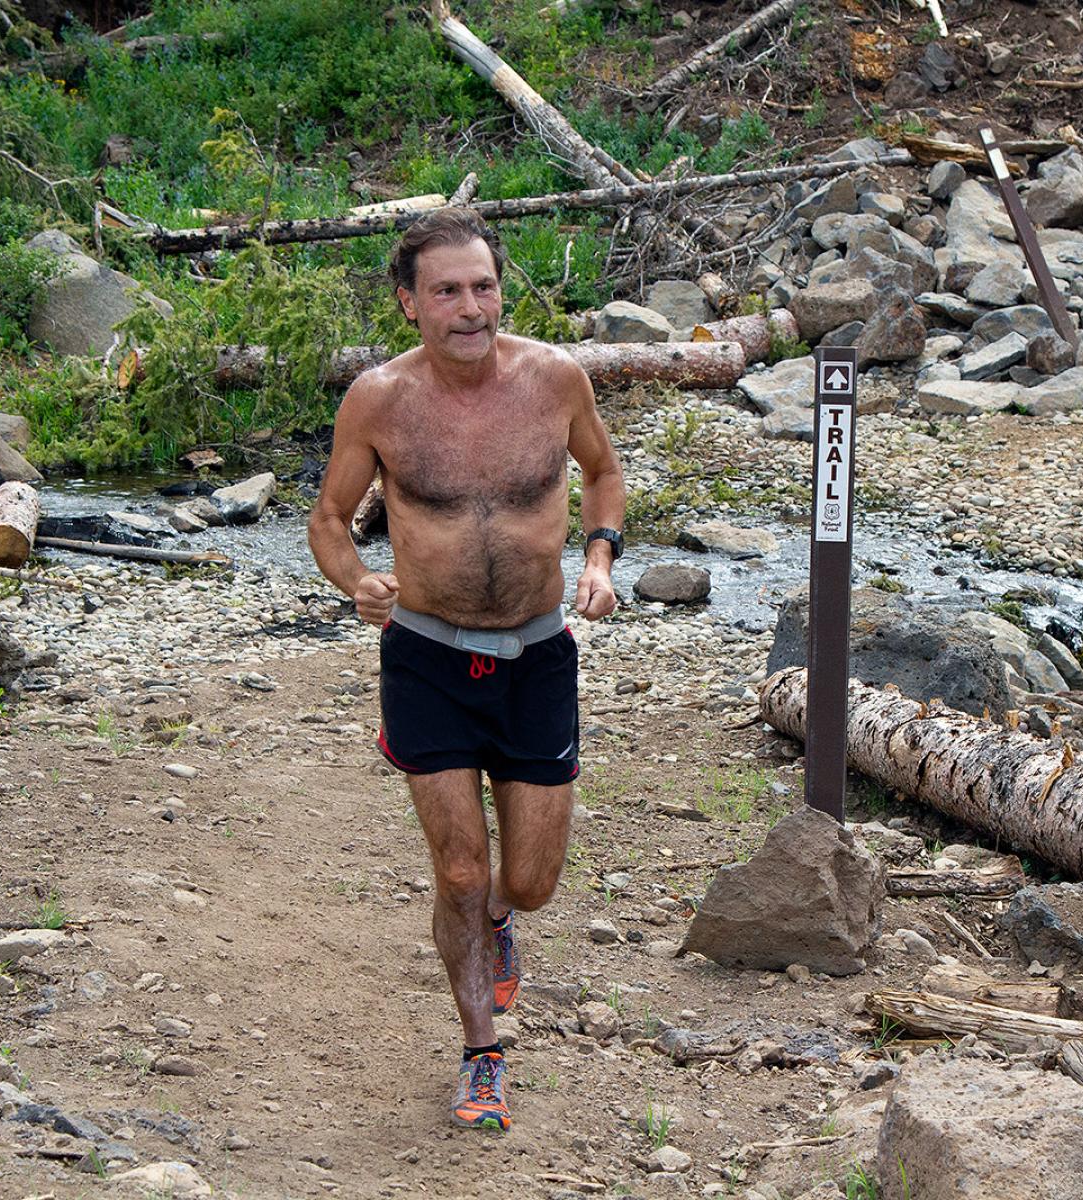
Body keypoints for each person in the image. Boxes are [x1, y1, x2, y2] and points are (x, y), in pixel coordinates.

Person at [307, 208, 625, 1132]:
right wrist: (358, 580)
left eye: (482, 286)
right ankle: (481, 1050)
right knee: (456, 870)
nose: (469, 306)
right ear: (409, 303)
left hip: (537, 655)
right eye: (446, 290)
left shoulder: (555, 380)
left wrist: (599, 559)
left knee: (525, 882)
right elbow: (329, 520)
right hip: (427, 656)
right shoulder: (378, 400)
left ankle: (501, 915)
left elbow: (603, 473)